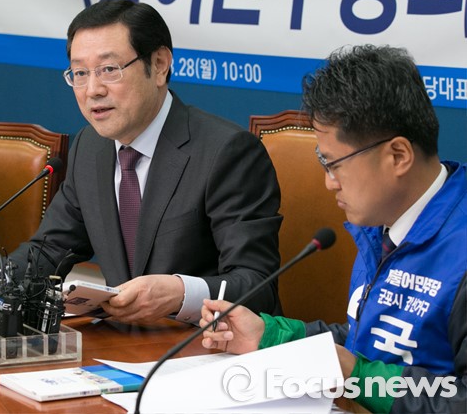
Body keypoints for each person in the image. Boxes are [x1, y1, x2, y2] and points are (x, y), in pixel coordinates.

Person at [0, 0, 283, 323]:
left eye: (109, 69)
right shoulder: (91, 147)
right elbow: (49, 250)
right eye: (80, 73)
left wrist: (180, 293)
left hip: (207, 348)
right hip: (123, 345)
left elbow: (257, 285)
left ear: (159, 65)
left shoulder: (226, 152)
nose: (93, 90)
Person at [200, 45, 466, 413]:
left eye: (334, 164)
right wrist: (270, 336)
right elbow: (366, 341)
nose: (329, 183)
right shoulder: (384, 223)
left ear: (398, 156)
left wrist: (358, 375)